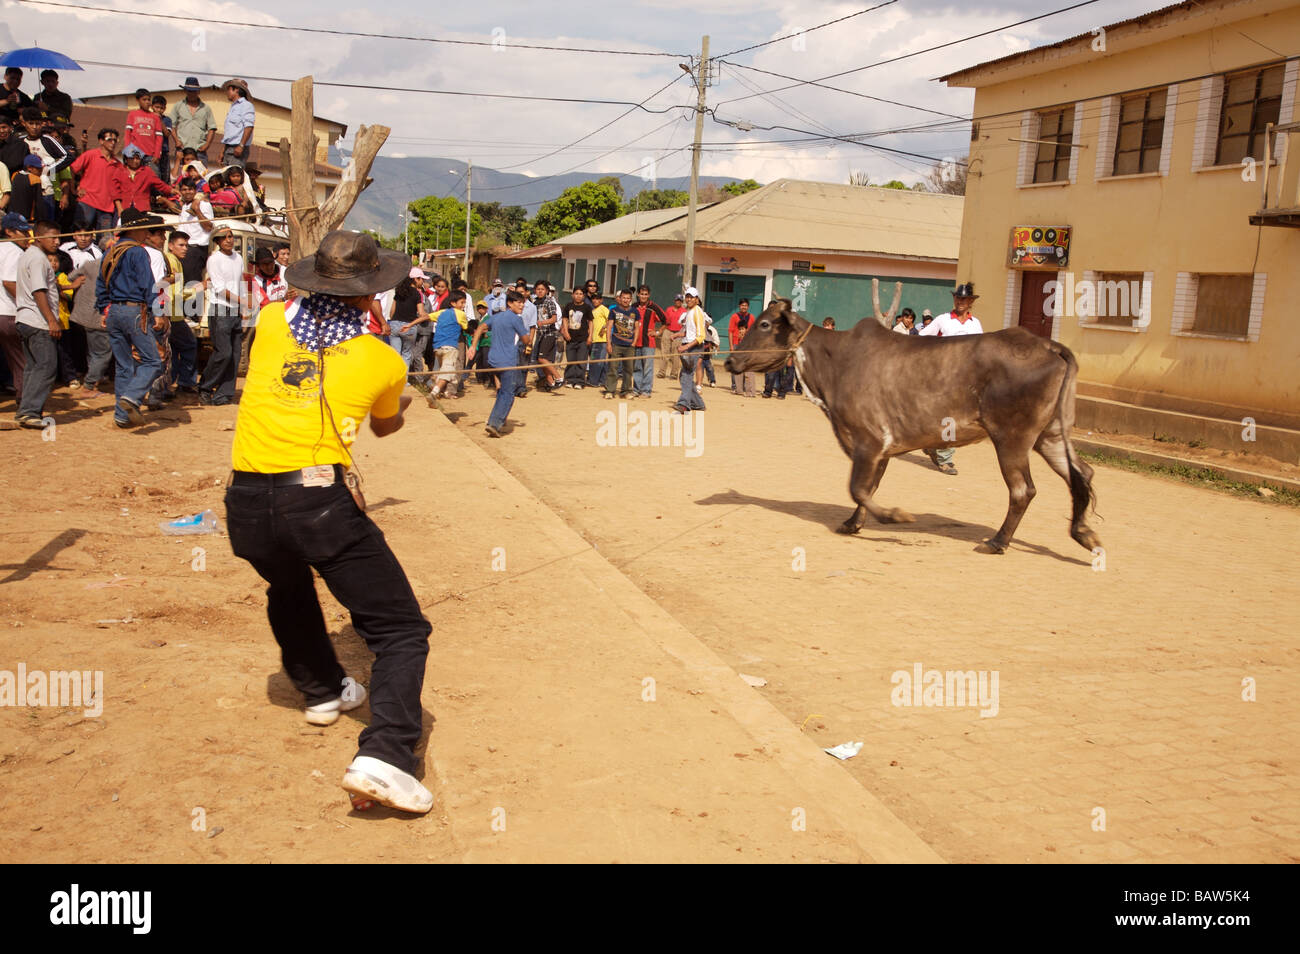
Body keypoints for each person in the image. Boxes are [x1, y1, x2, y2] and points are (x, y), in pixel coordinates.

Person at [224, 229, 434, 813]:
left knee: (287, 584)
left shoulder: (270, 323)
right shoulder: (383, 360)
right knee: (400, 631)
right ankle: (387, 756)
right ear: (372, 295)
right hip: (316, 501)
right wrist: (403, 396)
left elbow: (300, 325)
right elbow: (384, 427)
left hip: (245, 501)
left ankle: (320, 689)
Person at [97, 213, 167, 427]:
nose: (147, 233)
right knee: (153, 360)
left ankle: (121, 415)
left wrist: (103, 310)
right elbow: (148, 285)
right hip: (134, 311)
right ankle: (133, 397)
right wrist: (157, 313)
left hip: (114, 312)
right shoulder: (138, 252)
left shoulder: (110, 252)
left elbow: (101, 284)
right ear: (135, 230)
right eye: (145, 229)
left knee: (124, 366)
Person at [918, 283, 984, 475]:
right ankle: (945, 458)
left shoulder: (975, 324)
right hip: (943, 376)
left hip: (966, 378)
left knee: (955, 418)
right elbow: (922, 338)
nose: (960, 301)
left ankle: (933, 446)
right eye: (957, 298)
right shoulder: (942, 320)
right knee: (948, 416)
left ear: (970, 302)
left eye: (963, 299)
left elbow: (979, 350)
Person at [13, 222, 62, 427]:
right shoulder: (38, 259)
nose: (57, 242)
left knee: (33, 367)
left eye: (59, 238)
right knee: (46, 366)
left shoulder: (28, 255)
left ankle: (25, 411)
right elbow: (38, 291)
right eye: (52, 238)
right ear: (39, 237)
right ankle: (30, 412)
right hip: (37, 320)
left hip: (26, 318)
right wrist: (51, 319)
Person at [468, 289, 530, 438]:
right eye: (518, 302)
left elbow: (481, 327)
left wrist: (473, 346)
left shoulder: (496, 317)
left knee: (502, 391)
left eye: (523, 302)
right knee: (508, 394)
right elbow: (526, 340)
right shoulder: (516, 319)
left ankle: (494, 420)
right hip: (507, 361)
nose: (521, 305)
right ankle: (495, 424)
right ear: (510, 303)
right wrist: (526, 338)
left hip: (493, 361)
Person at [197, 226, 243, 405]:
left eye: (231, 236)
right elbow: (219, 289)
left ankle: (224, 393)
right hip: (220, 309)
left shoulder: (238, 258)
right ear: (217, 241)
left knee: (235, 355)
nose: (229, 240)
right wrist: (242, 301)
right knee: (223, 353)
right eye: (224, 237)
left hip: (235, 310)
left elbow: (239, 283)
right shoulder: (214, 260)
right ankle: (205, 387)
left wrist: (241, 306)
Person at [70, 235, 115, 394]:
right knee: (102, 353)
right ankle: (89, 384)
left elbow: (71, 277)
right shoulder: (113, 268)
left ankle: (92, 380)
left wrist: (81, 282)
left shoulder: (90, 264)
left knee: (94, 351)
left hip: (82, 315)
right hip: (98, 316)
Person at [0, 213, 32, 401]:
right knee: (23, 360)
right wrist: (29, 304)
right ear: (9, 232)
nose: (27, 236)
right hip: (7, 313)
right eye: (23, 232)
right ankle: (26, 402)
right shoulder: (14, 252)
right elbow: (9, 283)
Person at [162, 229, 199, 393]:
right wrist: (199, 288)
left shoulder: (173, 260)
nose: (185, 248)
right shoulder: (172, 261)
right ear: (171, 246)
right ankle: (185, 381)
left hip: (172, 313)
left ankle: (171, 383)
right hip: (172, 314)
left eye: (186, 245)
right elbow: (175, 293)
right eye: (181, 245)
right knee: (189, 344)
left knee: (174, 349)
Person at [69, 128, 123, 233]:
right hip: (87, 202)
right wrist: (73, 189)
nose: (113, 143)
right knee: (81, 233)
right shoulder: (91, 155)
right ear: (101, 141)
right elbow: (72, 169)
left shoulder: (118, 164)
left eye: (115, 140)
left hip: (107, 207)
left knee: (105, 239)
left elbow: (119, 188)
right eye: (109, 139)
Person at [672, 287, 708, 414]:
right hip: (688, 345)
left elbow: (701, 336)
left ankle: (684, 404)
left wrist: (685, 347)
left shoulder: (697, 312)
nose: (689, 299)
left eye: (691, 297)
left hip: (693, 347)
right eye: (687, 297)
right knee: (684, 376)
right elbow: (691, 332)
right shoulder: (690, 312)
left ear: (697, 299)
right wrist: (678, 335)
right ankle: (698, 404)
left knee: (687, 375)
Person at [117, 144, 179, 213]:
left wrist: (171, 190)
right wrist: (119, 208)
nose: (135, 161)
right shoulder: (120, 171)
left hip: (142, 209)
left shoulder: (147, 171)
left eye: (137, 158)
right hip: (125, 208)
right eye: (132, 158)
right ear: (126, 159)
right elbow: (115, 191)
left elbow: (160, 184)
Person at [430, 288, 467, 400]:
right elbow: (465, 327)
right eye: (462, 302)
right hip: (450, 347)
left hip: (437, 347)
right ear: (453, 303)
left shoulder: (442, 312)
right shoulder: (460, 314)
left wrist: (411, 324)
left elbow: (426, 316)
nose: (464, 305)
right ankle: (434, 392)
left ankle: (438, 388)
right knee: (448, 372)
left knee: (443, 370)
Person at [175, 177, 213, 284]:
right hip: (184, 249)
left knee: (191, 283)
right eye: (184, 189)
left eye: (190, 189)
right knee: (181, 282)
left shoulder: (203, 204)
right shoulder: (184, 207)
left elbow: (208, 227)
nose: (188, 192)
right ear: (181, 191)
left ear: (195, 190)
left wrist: (197, 210)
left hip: (196, 250)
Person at [168, 78, 217, 161]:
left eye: (194, 91)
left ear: (198, 92)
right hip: (182, 150)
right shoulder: (178, 106)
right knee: (181, 173)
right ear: (185, 91)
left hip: (200, 151)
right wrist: (176, 141)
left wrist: (207, 145)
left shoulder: (206, 108)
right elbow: (170, 125)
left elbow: (211, 128)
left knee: (200, 173)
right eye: (189, 91)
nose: (191, 94)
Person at [603, 287, 638, 400]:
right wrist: (609, 343)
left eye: (628, 298)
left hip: (629, 345)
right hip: (616, 344)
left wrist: (634, 342)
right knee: (613, 368)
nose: (625, 300)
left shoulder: (634, 311)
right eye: (623, 298)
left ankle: (626, 391)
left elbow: (637, 328)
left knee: (628, 369)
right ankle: (610, 390)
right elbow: (609, 327)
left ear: (630, 299)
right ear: (620, 298)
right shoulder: (614, 311)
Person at [631, 284, 666, 398]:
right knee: (637, 367)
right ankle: (636, 389)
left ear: (649, 295)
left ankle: (646, 391)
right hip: (636, 342)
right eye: (641, 294)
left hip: (648, 343)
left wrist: (657, 332)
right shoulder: (633, 306)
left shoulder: (653, 307)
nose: (643, 296)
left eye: (646, 294)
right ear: (638, 294)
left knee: (647, 367)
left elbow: (666, 321)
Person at [123, 88, 165, 176]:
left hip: (150, 156)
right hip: (135, 155)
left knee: (154, 179)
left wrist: (157, 154)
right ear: (138, 100)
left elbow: (159, 137)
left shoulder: (155, 117)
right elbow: (128, 135)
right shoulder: (132, 114)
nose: (147, 102)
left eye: (149, 99)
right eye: (144, 99)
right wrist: (128, 152)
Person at [560, 286, 594, 389]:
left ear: (583, 296)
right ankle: (570, 380)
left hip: (583, 338)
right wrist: (565, 332)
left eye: (580, 294)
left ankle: (579, 381)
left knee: (581, 360)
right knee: (571, 360)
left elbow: (591, 322)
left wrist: (590, 337)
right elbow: (565, 319)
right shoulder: (568, 306)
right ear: (572, 295)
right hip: (570, 338)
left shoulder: (587, 308)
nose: (578, 296)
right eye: (576, 293)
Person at [530, 279, 561, 392]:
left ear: (547, 291)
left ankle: (558, 378)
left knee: (542, 358)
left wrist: (543, 322)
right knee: (542, 360)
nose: (540, 291)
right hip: (540, 334)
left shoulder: (549, 302)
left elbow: (554, 318)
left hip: (549, 333)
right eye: (538, 289)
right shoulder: (534, 303)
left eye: (542, 289)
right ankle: (551, 382)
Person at [220, 79, 255, 168]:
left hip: (237, 148)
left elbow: (249, 127)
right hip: (229, 148)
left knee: (235, 176)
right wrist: (223, 150)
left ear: (236, 90)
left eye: (229, 89)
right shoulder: (233, 107)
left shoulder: (246, 105)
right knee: (226, 177)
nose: (227, 92)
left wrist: (241, 146)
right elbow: (230, 132)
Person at [728, 301, 757, 396]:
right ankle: (737, 388)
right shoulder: (734, 317)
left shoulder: (751, 317)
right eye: (742, 305)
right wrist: (731, 346)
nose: (744, 307)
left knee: (749, 371)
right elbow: (731, 331)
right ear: (739, 306)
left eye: (745, 305)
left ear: (748, 307)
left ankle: (750, 391)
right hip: (737, 345)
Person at [586, 287, 609, 389]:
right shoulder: (593, 310)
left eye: (597, 299)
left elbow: (610, 320)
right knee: (601, 361)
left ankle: (593, 381)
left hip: (601, 339)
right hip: (594, 339)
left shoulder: (603, 309)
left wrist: (604, 328)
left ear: (601, 300)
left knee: (597, 361)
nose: (595, 300)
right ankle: (602, 381)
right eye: (593, 299)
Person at [659, 291, 684, 379]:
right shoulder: (669, 309)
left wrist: (681, 334)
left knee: (676, 354)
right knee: (664, 352)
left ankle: (674, 373)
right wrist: (661, 331)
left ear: (682, 301)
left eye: (680, 300)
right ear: (674, 300)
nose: (678, 301)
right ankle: (662, 372)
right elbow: (666, 321)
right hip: (668, 331)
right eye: (677, 300)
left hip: (678, 333)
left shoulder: (684, 311)